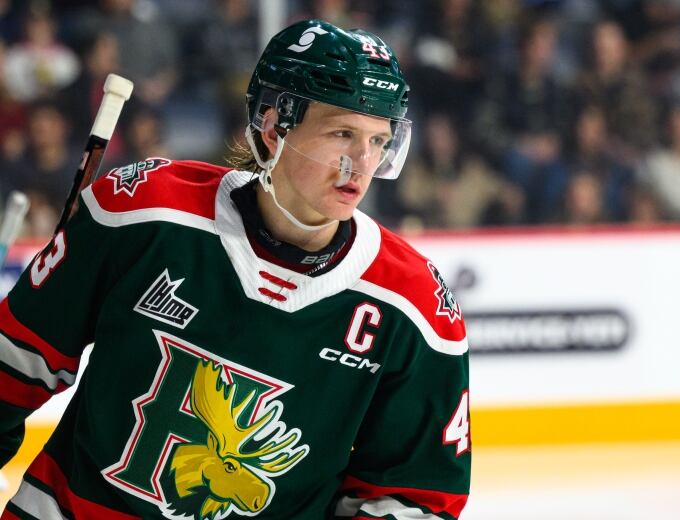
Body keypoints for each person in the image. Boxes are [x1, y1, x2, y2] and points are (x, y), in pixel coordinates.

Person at [0, 19, 470, 519]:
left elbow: (414, 495)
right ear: (272, 126)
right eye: (342, 133)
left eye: (379, 140)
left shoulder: (414, 306)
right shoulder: (145, 214)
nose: (362, 162)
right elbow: (13, 364)